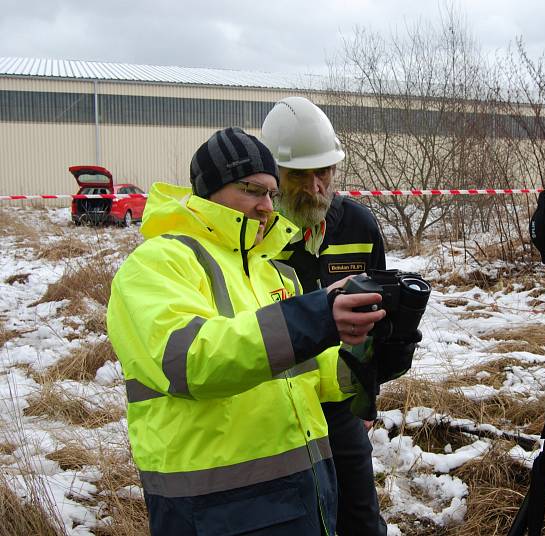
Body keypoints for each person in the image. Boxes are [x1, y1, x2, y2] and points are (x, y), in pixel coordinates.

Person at [106, 126, 387, 536]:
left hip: (298, 497)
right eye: (253, 191)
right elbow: (191, 361)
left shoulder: (270, 270)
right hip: (216, 509)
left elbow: (309, 376)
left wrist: (367, 360)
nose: (267, 207)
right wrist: (317, 317)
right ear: (210, 192)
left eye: (272, 194)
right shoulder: (157, 263)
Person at [262, 97, 412, 536]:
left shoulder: (359, 226)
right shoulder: (255, 234)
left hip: (341, 403)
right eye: (299, 175)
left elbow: (377, 319)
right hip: (279, 406)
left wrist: (368, 397)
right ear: (274, 175)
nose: (315, 187)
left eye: (323, 172)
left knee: (360, 519)